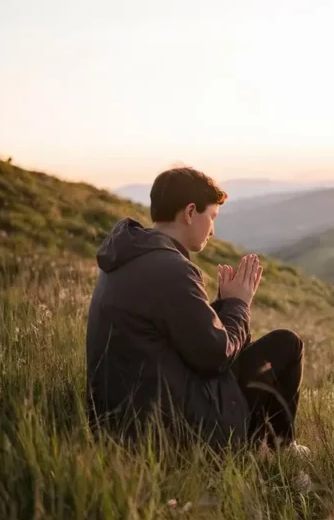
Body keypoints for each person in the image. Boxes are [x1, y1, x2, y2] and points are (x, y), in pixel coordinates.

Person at [85, 166, 308, 455]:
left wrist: (222, 308)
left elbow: (175, 334)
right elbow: (214, 357)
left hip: (122, 420)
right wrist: (239, 304)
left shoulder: (128, 255)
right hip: (171, 430)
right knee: (287, 345)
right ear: (191, 212)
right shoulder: (172, 268)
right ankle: (279, 451)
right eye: (211, 217)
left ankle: (264, 446)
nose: (213, 230)